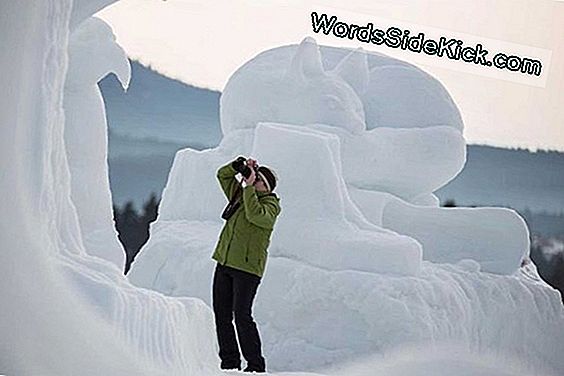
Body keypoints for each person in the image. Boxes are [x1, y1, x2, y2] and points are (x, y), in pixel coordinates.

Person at [211, 156, 281, 373]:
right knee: (222, 316)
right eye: (256, 177)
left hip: (248, 270)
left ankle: (255, 365)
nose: (255, 180)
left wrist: (249, 188)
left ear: (268, 188)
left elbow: (255, 216)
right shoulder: (241, 194)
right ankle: (230, 363)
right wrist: (238, 165)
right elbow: (222, 175)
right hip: (225, 262)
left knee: (242, 316)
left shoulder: (271, 206)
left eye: (260, 180)